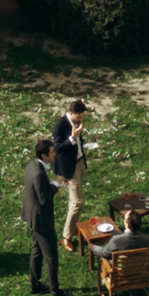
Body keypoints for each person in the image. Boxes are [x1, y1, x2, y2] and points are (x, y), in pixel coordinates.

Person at [22, 138, 64, 296]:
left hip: (32, 216)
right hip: (41, 220)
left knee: (36, 251)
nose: (54, 154)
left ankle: (35, 284)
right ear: (44, 155)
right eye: (52, 152)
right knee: (51, 257)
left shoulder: (33, 165)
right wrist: (56, 183)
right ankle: (56, 293)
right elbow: (44, 199)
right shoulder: (39, 174)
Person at [52, 100, 88, 247]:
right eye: (78, 117)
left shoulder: (77, 122)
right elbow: (57, 148)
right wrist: (72, 138)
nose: (81, 120)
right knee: (77, 202)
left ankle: (72, 227)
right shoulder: (60, 126)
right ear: (71, 113)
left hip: (79, 162)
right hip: (69, 168)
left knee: (74, 201)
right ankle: (66, 236)